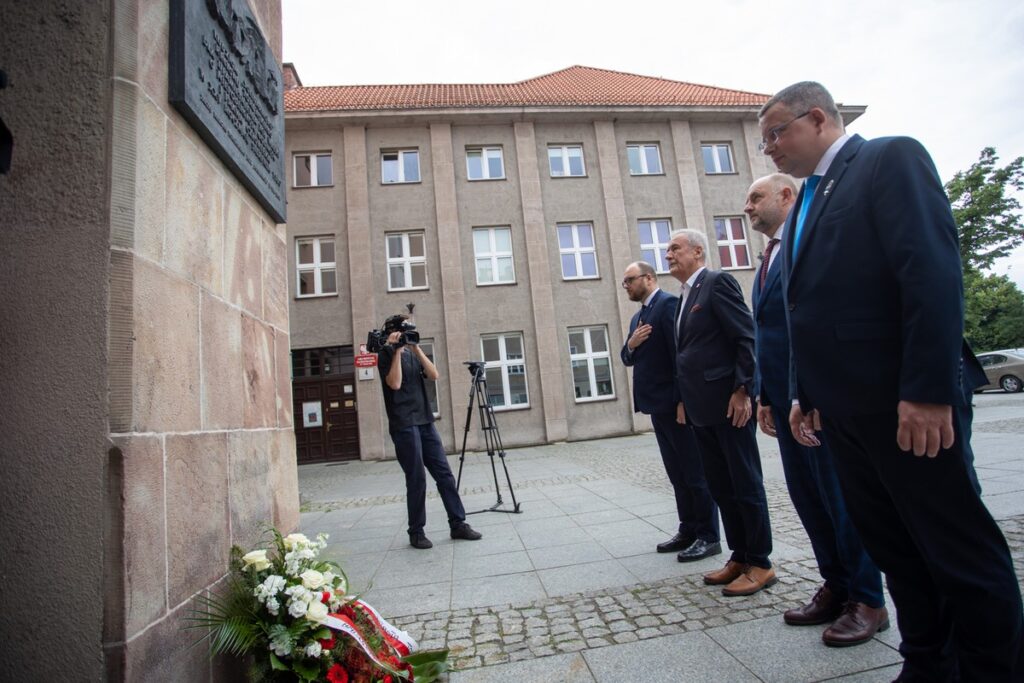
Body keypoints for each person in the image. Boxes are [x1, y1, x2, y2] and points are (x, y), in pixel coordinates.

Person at [760, 81, 1023, 680]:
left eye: (775, 133)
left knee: (955, 546)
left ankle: (994, 668)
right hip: (844, 412)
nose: (769, 148)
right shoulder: (806, 201)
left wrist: (927, 390)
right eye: (764, 140)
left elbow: (930, 274)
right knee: (895, 548)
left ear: (817, 118)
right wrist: (804, 392)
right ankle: (927, 661)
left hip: (904, 402)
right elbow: (804, 307)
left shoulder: (887, 159)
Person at [745, 174, 887, 647]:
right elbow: (769, 334)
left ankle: (868, 599)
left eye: (755, 197)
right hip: (784, 400)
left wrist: (809, 394)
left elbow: (813, 325)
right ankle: (836, 585)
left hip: (815, 402)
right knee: (809, 500)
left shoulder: (808, 244)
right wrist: (767, 395)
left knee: (840, 500)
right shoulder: (768, 258)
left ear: (786, 196)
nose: (748, 207)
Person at [666, 229, 775, 596]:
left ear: (698, 252)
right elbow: (687, 355)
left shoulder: (717, 282)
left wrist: (744, 390)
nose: (668, 255)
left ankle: (760, 562)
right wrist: (684, 400)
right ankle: (739, 556)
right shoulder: (684, 297)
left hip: (730, 406)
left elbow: (745, 337)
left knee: (744, 484)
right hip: (702, 409)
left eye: (675, 248)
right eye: (667, 250)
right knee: (722, 487)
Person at [619, 261, 721, 562]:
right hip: (656, 406)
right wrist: (631, 343)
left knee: (694, 473)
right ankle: (688, 529)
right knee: (677, 474)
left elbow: (681, 355)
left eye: (630, 280)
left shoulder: (667, 305)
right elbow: (626, 357)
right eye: (624, 282)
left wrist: (682, 400)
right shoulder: (638, 316)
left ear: (649, 278)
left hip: (675, 406)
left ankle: (708, 536)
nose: (626, 286)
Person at [375, 314, 482, 549]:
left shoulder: (413, 353)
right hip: (404, 424)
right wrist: (396, 351)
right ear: (393, 331)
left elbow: (434, 375)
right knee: (417, 478)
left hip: (425, 420)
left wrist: (416, 349)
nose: (408, 334)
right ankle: (416, 532)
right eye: (405, 330)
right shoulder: (385, 354)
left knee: (444, 474)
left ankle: (458, 524)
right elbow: (394, 383)